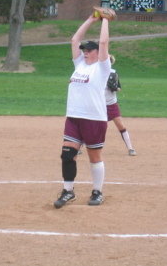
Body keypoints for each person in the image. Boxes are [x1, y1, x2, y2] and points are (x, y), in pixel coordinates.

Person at [54, 11, 113, 209]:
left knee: (94, 157)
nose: (85, 52)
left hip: (94, 119)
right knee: (67, 154)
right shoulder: (79, 65)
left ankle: (97, 192)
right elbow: (75, 39)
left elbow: (104, 43)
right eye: (84, 50)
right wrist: (90, 19)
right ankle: (68, 191)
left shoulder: (102, 68)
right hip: (74, 117)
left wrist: (105, 20)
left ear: (97, 53)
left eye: (88, 50)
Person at [106, 55, 137, 156]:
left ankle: (130, 148)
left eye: (109, 61)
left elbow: (119, 88)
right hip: (98, 104)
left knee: (121, 125)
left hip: (111, 104)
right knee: (92, 126)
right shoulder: (96, 73)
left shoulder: (113, 73)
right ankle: (80, 146)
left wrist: (114, 88)